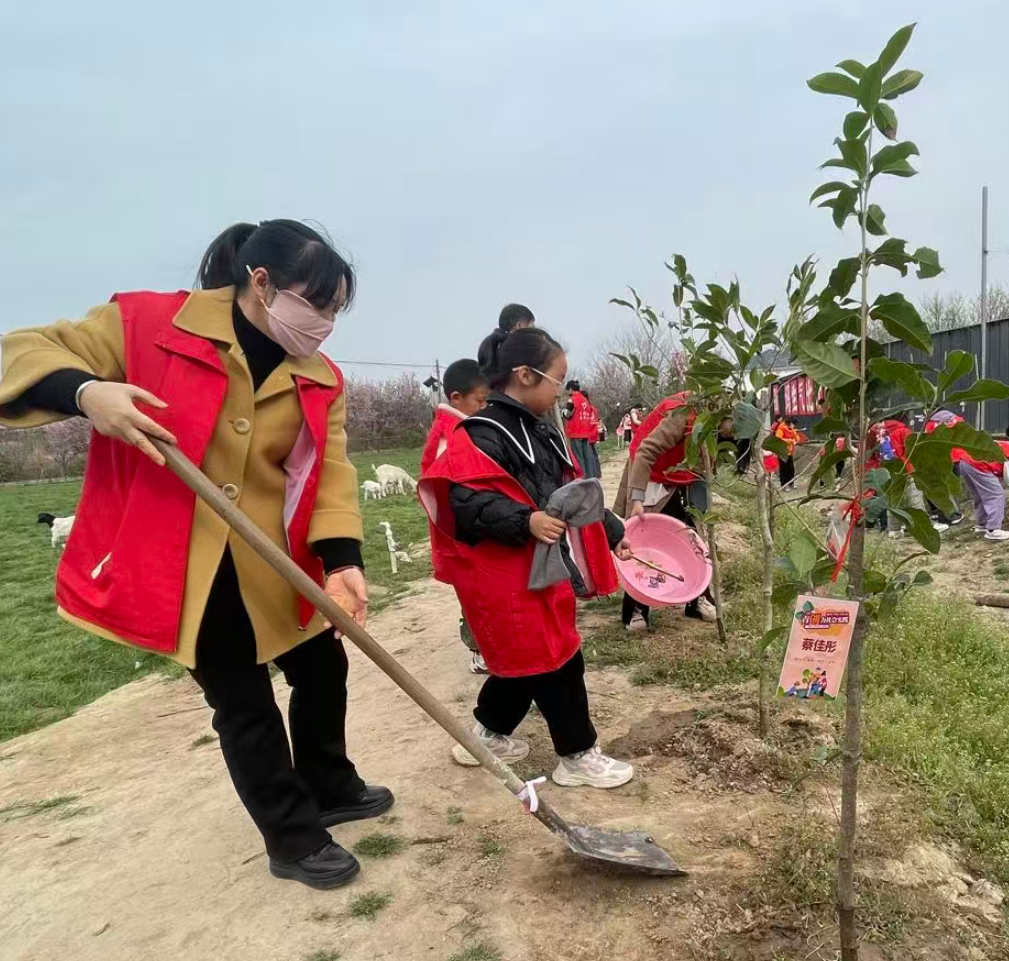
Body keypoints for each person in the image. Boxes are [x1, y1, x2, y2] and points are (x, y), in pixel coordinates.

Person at [0, 220, 391, 890]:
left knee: (322, 667)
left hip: (275, 558)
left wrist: (343, 558)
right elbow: (20, 352)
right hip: (188, 563)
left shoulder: (318, 376)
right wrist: (88, 393)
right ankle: (293, 836)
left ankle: (329, 782)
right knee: (243, 701)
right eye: (316, 304)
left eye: (334, 311)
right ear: (260, 283)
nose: (324, 323)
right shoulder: (147, 323)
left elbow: (330, 472)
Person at [422, 326, 636, 788]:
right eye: (557, 379)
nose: (562, 390)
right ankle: (577, 755)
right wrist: (525, 521)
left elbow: (568, 494)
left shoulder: (536, 430)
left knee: (530, 660)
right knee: (555, 661)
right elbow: (463, 501)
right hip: (504, 572)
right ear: (524, 375)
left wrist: (612, 529)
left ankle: (485, 735)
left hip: (538, 567)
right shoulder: (480, 433)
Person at [612, 391, 718, 629]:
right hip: (651, 473)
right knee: (645, 537)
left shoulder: (718, 420)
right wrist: (637, 498)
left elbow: (707, 462)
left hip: (684, 475)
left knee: (694, 536)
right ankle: (637, 607)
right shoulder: (682, 415)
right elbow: (645, 452)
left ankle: (697, 598)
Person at [420, 359, 491, 675]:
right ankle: (479, 652)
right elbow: (446, 493)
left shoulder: (463, 428)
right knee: (473, 599)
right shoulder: (449, 434)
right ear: (457, 398)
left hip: (470, 533)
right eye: (480, 401)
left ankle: (486, 646)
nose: (485, 406)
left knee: (482, 596)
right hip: (459, 536)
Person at [954, 437, 1009, 541]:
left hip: (965, 461)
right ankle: (993, 530)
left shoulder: (1008, 445)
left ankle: (982, 525)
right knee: (996, 495)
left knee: (980, 496)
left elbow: (1000, 471)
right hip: (978, 465)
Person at [562, 379, 601, 479]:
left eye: (568, 390)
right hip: (585, 432)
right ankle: (591, 477)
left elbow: (567, 414)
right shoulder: (585, 400)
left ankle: (582, 478)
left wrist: (562, 412)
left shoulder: (572, 400)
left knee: (578, 457)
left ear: (570, 389)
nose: (567, 392)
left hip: (575, 432)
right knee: (587, 456)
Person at [774, 417, 803, 489]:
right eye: (793, 424)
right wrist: (790, 440)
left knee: (791, 469)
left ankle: (791, 483)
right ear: (790, 423)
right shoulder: (780, 429)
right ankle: (784, 485)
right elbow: (778, 439)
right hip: (782, 452)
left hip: (790, 453)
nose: (794, 426)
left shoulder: (792, 430)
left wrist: (796, 438)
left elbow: (797, 438)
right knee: (783, 469)